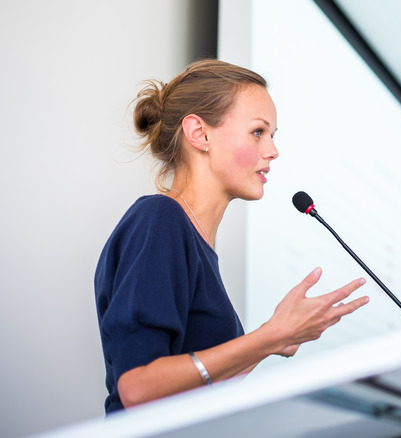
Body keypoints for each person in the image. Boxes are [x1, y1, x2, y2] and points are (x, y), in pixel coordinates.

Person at [94, 59, 369, 414]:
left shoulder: (192, 239)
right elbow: (138, 387)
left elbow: (198, 394)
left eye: (272, 136)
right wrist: (271, 335)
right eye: (258, 132)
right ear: (199, 134)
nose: (272, 151)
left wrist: (274, 339)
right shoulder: (159, 220)